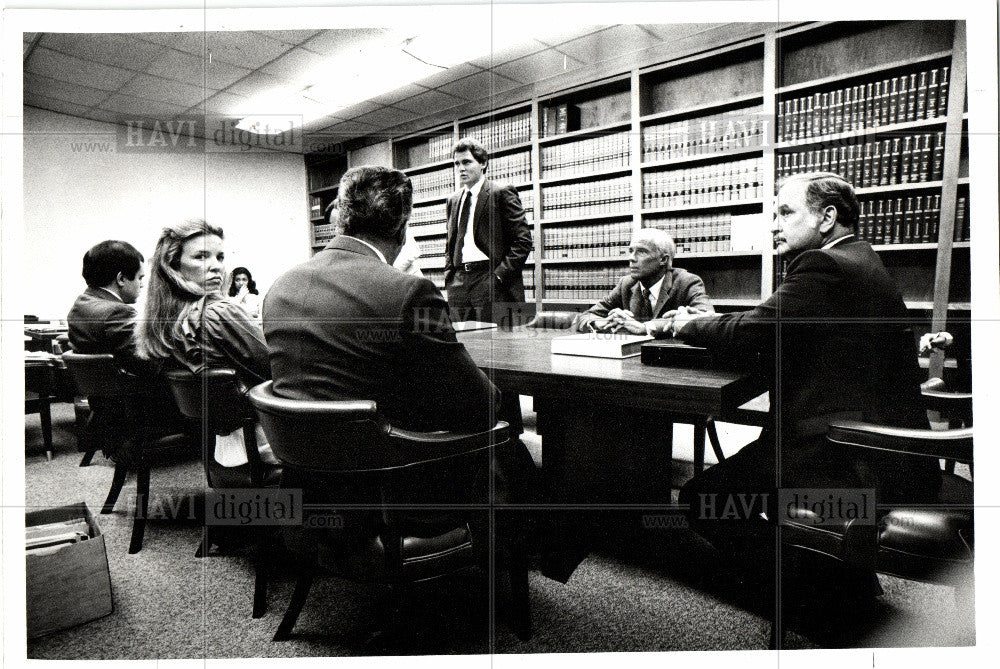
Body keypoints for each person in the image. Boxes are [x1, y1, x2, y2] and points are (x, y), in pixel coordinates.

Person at [666, 173, 942, 604]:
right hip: (890, 453)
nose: (774, 224)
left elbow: (753, 331)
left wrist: (686, 324)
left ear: (827, 217)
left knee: (703, 498)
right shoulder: (860, 257)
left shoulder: (826, 266)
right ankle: (835, 579)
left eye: (785, 212)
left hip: (849, 462)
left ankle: (809, 593)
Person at [264, 166, 500, 434]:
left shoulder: (280, 287)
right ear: (402, 226)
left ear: (342, 219)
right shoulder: (410, 292)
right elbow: (482, 407)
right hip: (388, 465)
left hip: (301, 462)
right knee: (510, 452)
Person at [134, 219, 274, 467]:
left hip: (224, 443)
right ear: (173, 266)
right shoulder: (216, 312)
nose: (216, 267)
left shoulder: (169, 317)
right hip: (266, 438)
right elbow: (275, 371)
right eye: (200, 257)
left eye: (220, 257)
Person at [444, 137, 533, 325]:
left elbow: (523, 241)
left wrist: (499, 276)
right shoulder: (452, 199)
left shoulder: (501, 192)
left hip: (491, 279)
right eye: (457, 163)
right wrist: (449, 275)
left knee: (501, 346)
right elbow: (450, 243)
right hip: (458, 284)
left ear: (483, 163)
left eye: (467, 162)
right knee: (461, 342)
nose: (461, 168)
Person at [571, 228, 714, 334]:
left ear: (663, 259)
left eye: (641, 251)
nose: (631, 258)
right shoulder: (626, 284)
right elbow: (585, 316)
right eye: (631, 251)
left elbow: (707, 319)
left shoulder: (687, 282)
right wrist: (599, 323)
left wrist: (646, 327)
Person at [66, 240, 147, 372]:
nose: (142, 285)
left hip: (96, 388)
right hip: (127, 390)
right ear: (121, 279)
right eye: (140, 278)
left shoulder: (80, 304)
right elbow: (144, 364)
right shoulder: (118, 312)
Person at [325, 198, 423, 277]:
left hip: (407, 279)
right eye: (335, 225)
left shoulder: (391, 221)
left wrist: (383, 274)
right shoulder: (353, 236)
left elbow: (413, 251)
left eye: (339, 223)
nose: (338, 229)